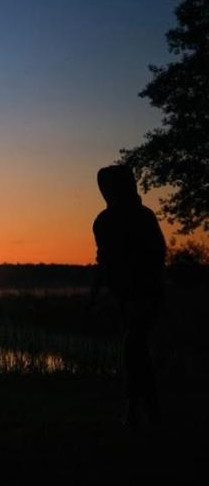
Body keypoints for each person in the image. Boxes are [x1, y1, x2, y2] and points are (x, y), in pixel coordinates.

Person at [92, 164, 165, 432]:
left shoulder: (143, 217)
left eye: (109, 186)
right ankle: (140, 412)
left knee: (133, 348)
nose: (105, 191)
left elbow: (157, 255)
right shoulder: (103, 221)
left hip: (145, 293)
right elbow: (104, 262)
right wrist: (97, 295)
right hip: (123, 295)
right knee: (136, 352)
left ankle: (141, 412)